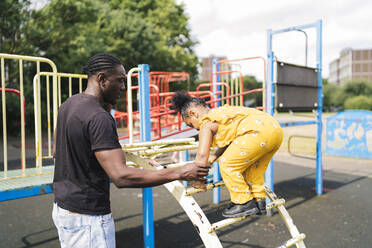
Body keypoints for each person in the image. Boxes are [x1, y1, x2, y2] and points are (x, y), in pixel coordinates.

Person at [52, 53, 210, 248]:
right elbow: (121, 176)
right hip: (88, 217)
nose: (123, 87)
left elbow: (56, 151)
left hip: (63, 208)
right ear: (102, 79)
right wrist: (181, 172)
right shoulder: (99, 117)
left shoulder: (68, 104)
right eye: (120, 81)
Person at [170, 91, 283, 218]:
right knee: (253, 169)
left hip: (256, 132)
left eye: (191, 124)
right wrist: (214, 156)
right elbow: (232, 142)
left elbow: (201, 156)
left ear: (193, 114)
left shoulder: (206, 123)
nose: (195, 129)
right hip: (275, 130)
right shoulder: (223, 115)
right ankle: (259, 200)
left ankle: (243, 201)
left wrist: (198, 180)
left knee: (228, 163)